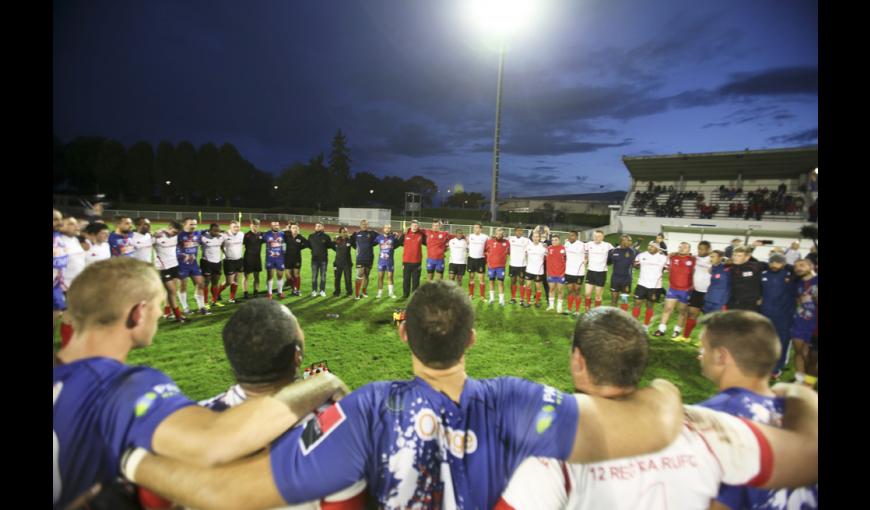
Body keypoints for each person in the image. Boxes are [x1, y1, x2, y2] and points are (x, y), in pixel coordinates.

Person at [120, 281, 686, 510]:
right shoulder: (517, 400)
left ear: (400, 332)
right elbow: (656, 424)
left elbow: (227, 488)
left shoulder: (362, 408)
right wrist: (666, 386)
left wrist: (136, 458)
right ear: (472, 337)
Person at [53, 257, 350, 509]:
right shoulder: (123, 387)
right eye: (160, 304)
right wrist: (323, 382)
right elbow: (217, 442)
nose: (162, 311)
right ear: (139, 313)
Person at [497, 308, 820, 510]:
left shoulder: (554, 454)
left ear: (578, 361)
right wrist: (800, 394)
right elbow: (808, 453)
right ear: (641, 363)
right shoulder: (707, 431)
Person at [698, 311, 819, 509]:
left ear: (721, 356)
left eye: (703, 348)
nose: (700, 355)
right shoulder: (804, 415)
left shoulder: (709, 420)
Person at [760, 253, 798, 378]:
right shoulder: (764, 275)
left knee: (782, 341)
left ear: (783, 264)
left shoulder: (792, 277)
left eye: (778, 262)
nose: (774, 265)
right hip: (765, 314)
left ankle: (777, 368)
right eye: (772, 262)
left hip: (784, 316)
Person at [653, 242, 695, 340]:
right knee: (667, 309)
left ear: (689, 250)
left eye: (685, 247)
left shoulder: (693, 260)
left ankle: (677, 331)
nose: (682, 248)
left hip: (686, 290)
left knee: (682, 311)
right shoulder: (672, 257)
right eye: (680, 247)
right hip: (673, 288)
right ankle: (661, 329)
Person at [790, 259, 818, 388]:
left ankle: (809, 380)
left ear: (811, 266)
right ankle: (799, 378)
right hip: (800, 320)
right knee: (799, 351)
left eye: (802, 265)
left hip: (815, 322)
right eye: (796, 266)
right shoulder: (798, 283)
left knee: (810, 354)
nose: (798, 268)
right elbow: (797, 298)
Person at [153, 222, 187, 323]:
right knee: (172, 291)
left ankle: (168, 312)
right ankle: (178, 316)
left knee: (171, 291)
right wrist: (155, 233)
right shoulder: (158, 236)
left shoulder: (177, 236)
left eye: (176, 233)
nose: (174, 234)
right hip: (163, 267)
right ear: (169, 228)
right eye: (173, 232)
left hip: (174, 266)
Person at [631, 242, 667, 328]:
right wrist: (635, 264)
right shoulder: (641, 255)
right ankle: (633, 324)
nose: (650, 247)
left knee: (650, 305)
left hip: (655, 287)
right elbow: (636, 265)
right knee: (637, 303)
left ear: (658, 249)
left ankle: (646, 325)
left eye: (652, 246)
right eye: (649, 245)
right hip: (641, 284)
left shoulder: (663, 258)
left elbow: (668, 268)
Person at [684, 240, 712, 340]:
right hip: (696, 291)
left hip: (708, 293)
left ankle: (704, 342)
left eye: (702, 249)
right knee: (691, 313)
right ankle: (686, 337)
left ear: (708, 249)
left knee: (708, 318)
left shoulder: (713, 259)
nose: (699, 251)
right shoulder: (695, 258)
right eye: (698, 249)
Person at [583, 230, 613, 312]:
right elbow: (585, 253)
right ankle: (587, 311)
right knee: (587, 294)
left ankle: (597, 312)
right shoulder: (588, 244)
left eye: (599, 236)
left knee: (598, 295)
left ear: (603, 237)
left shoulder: (608, 245)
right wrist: (585, 259)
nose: (596, 238)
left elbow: (615, 253)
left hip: (601, 273)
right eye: (595, 236)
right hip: (591, 272)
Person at [607, 234, 637, 312]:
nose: (631, 242)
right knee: (614, 299)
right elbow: (608, 262)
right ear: (622, 241)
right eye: (629, 240)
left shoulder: (632, 251)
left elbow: (637, 264)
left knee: (624, 299)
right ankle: (612, 316)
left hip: (626, 279)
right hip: (615, 279)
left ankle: (624, 317)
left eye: (631, 240)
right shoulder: (613, 251)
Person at [728, 246, 763, 312]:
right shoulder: (730, 267)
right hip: (733, 302)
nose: (735, 258)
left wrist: (761, 297)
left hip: (750, 304)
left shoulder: (756, 266)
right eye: (734, 255)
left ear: (747, 257)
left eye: (739, 256)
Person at [200, 223, 226, 308]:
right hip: (206, 262)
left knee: (215, 282)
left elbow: (223, 244)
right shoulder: (203, 236)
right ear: (210, 230)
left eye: (218, 231)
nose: (216, 232)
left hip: (217, 262)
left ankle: (214, 301)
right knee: (206, 283)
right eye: (214, 231)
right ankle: (205, 302)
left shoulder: (221, 236)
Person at [399, 220, 426, 299]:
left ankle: (415, 295)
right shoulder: (405, 233)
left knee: (416, 280)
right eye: (413, 225)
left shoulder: (421, 234)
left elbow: (428, 242)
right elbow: (400, 242)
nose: (414, 227)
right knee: (406, 279)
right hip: (406, 261)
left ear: (418, 227)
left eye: (416, 225)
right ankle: (405, 294)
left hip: (417, 262)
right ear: (410, 226)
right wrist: (403, 233)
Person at [219, 220, 245, 303]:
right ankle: (217, 293)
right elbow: (220, 246)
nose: (237, 228)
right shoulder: (225, 235)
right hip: (229, 261)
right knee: (229, 281)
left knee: (236, 280)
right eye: (235, 226)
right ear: (230, 227)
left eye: (238, 226)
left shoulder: (241, 234)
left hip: (239, 260)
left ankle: (232, 298)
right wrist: (225, 253)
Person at [374, 224, 401, 299]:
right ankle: (379, 293)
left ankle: (391, 293)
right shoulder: (379, 237)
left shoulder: (393, 237)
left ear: (390, 229)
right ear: (383, 229)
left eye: (389, 228)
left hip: (390, 260)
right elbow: (372, 242)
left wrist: (396, 238)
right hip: (381, 261)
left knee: (390, 277)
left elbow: (399, 243)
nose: (387, 229)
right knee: (380, 277)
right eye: (386, 228)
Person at [485, 228, 511, 305]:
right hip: (491, 266)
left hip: (501, 267)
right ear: (495, 234)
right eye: (498, 234)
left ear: (503, 235)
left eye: (501, 234)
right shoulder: (490, 241)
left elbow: (509, 252)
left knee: (500, 283)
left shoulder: (506, 243)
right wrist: (488, 260)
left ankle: (501, 300)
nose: (499, 235)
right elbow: (485, 251)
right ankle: (492, 299)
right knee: (491, 282)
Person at [283, 222, 310, 297]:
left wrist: (301, 247)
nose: (295, 229)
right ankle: (292, 286)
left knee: (296, 274)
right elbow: (279, 233)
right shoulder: (286, 235)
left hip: (297, 258)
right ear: (290, 229)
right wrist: (286, 229)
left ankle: (296, 290)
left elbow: (307, 243)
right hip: (287, 258)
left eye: (296, 228)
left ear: (298, 229)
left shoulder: (300, 237)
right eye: (293, 228)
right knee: (288, 275)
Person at [522, 231, 548, 308]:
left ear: (539, 238)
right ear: (532, 238)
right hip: (529, 270)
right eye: (534, 236)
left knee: (538, 287)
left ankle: (537, 302)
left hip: (538, 271)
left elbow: (547, 257)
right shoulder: (528, 246)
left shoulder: (543, 247)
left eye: (537, 237)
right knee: (528, 286)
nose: (536, 238)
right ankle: (528, 302)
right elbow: (525, 255)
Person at [563, 231, 587, 317]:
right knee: (569, 291)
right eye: (569, 235)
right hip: (568, 271)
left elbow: (587, 254)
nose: (570, 237)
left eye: (572, 235)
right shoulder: (566, 244)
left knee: (577, 291)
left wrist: (586, 259)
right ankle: (569, 309)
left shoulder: (582, 245)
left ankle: (577, 311)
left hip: (579, 272)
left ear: (576, 236)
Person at [263, 221, 287, 300]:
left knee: (280, 276)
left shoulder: (282, 234)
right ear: (271, 226)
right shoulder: (266, 234)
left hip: (280, 258)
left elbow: (284, 243)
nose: (276, 226)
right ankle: (269, 293)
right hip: (270, 258)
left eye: (277, 225)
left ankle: (280, 292)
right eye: (274, 225)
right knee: (270, 276)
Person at [309, 222, 333, 298]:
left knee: (323, 276)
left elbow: (330, 245)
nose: (317, 227)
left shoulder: (326, 237)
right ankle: (314, 290)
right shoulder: (311, 236)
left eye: (319, 226)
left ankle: (322, 290)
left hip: (323, 260)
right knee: (314, 276)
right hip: (314, 260)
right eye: (316, 226)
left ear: (323, 227)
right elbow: (310, 246)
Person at [242, 219, 265, 299]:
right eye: (253, 225)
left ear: (259, 226)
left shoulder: (261, 235)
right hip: (247, 258)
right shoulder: (246, 235)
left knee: (257, 276)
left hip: (257, 259)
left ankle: (256, 292)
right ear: (250, 225)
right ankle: (245, 292)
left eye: (256, 226)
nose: (255, 227)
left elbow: (273, 234)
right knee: (246, 277)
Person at [507, 227, 530, 304]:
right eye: (518, 231)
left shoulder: (526, 240)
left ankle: (522, 299)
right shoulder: (510, 239)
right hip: (512, 264)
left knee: (521, 282)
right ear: (515, 232)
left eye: (521, 230)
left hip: (522, 265)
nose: (519, 232)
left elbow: (533, 245)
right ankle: (513, 298)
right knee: (513, 281)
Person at [466, 223, 489, 300]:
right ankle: (471, 295)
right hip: (471, 259)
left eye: (476, 227)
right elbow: (466, 244)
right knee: (471, 277)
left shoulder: (485, 237)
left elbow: (489, 246)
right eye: (474, 227)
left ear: (480, 229)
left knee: (481, 279)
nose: (475, 229)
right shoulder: (470, 236)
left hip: (480, 260)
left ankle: (482, 296)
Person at [546, 234, 567, 313]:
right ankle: (551, 306)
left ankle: (559, 306)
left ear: (559, 240)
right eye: (553, 240)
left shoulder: (564, 249)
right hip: (551, 273)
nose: (554, 241)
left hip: (561, 273)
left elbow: (567, 260)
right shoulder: (548, 249)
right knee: (551, 289)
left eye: (556, 240)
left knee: (560, 290)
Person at [331, 226, 354, 297]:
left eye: (346, 231)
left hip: (347, 263)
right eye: (344, 232)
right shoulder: (336, 239)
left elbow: (356, 244)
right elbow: (332, 246)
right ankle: (337, 291)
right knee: (337, 278)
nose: (345, 233)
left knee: (348, 278)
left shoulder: (350, 240)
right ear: (340, 233)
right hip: (337, 263)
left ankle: (349, 292)